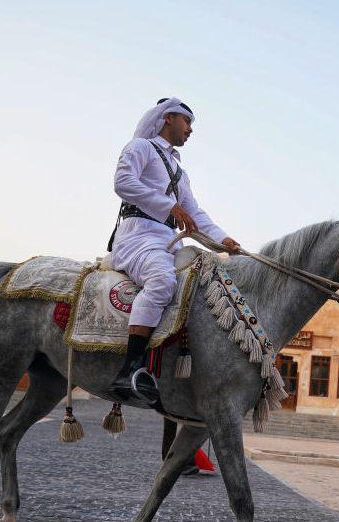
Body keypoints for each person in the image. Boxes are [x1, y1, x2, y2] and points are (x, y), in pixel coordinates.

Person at [108, 97, 240, 402]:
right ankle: (129, 371)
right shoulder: (140, 147)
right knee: (163, 281)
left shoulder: (180, 170)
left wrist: (225, 240)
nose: (190, 130)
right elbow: (122, 182)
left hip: (166, 241)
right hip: (137, 237)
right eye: (187, 122)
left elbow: (195, 213)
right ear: (168, 117)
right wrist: (171, 206)